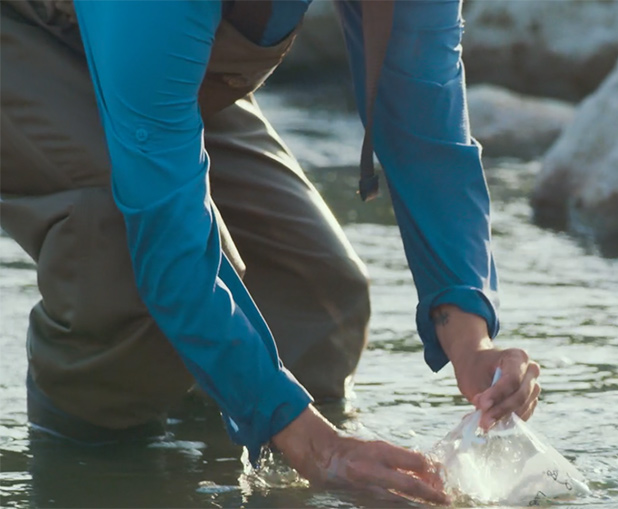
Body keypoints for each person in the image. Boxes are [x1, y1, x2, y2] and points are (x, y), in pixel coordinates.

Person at [0, 0, 541, 503]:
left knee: (315, 299)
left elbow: (428, 131)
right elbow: (165, 232)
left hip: (156, 59)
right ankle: (82, 471)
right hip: (27, 37)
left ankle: (228, 456)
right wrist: (318, 447)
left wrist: (470, 340)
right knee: (123, 261)